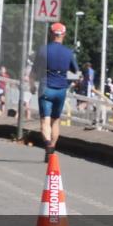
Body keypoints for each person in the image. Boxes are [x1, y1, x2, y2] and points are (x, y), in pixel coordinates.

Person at [31, 22, 80, 162]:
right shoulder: (69, 52)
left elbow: (34, 72)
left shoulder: (42, 50)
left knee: (45, 121)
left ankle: (46, 143)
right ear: (63, 35)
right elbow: (77, 73)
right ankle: (52, 148)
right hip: (61, 90)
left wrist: (32, 86)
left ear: (51, 34)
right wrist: (68, 83)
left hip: (46, 87)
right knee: (56, 121)